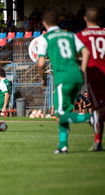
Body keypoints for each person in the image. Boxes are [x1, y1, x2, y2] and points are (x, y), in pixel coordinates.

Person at [37, 9, 91, 154]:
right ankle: (63, 145)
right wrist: (83, 70)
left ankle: (90, 117)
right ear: (58, 21)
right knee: (65, 112)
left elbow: (41, 63)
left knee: (60, 114)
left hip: (63, 78)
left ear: (44, 23)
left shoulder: (45, 38)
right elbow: (85, 52)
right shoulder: (71, 35)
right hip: (77, 76)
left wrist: (42, 79)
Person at [77, 6, 105, 151]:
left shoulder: (81, 35)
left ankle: (97, 141)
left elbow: (74, 54)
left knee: (97, 111)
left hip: (94, 76)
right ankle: (98, 142)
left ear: (85, 19)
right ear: (99, 19)